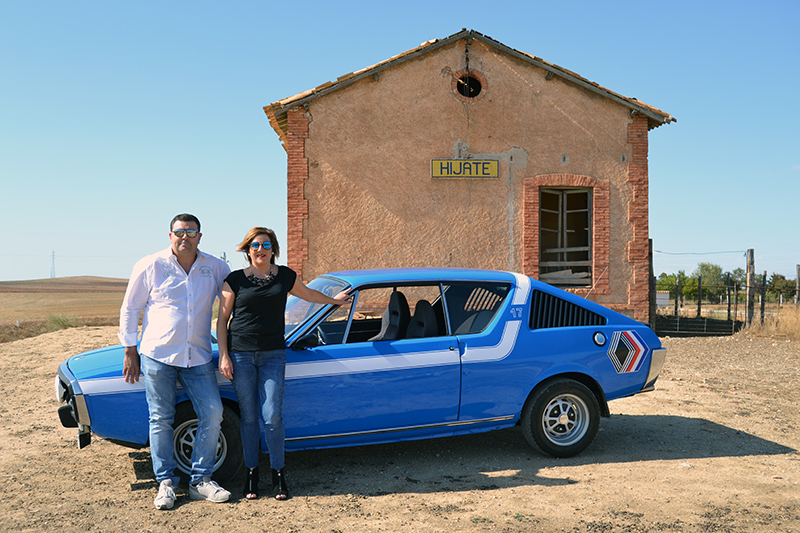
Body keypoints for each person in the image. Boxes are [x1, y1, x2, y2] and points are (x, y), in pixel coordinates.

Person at [216, 227, 351, 500]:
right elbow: (221, 320)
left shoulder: (285, 276)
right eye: (255, 245)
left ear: (273, 249)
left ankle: (278, 474)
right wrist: (224, 354)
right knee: (250, 417)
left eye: (266, 245)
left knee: (272, 417)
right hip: (240, 355)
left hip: (273, 355)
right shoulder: (234, 280)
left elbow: (310, 296)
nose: (260, 249)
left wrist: (333, 301)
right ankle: (252, 474)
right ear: (248, 250)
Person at [119, 214, 232, 510]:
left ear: (200, 236)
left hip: (198, 356)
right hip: (158, 355)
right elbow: (131, 308)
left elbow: (237, 297)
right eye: (179, 232)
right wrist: (130, 349)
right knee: (160, 418)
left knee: (213, 411)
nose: (185, 237)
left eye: (191, 231)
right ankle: (166, 482)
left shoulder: (216, 267)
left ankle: (200, 480)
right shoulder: (150, 265)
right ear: (170, 235)